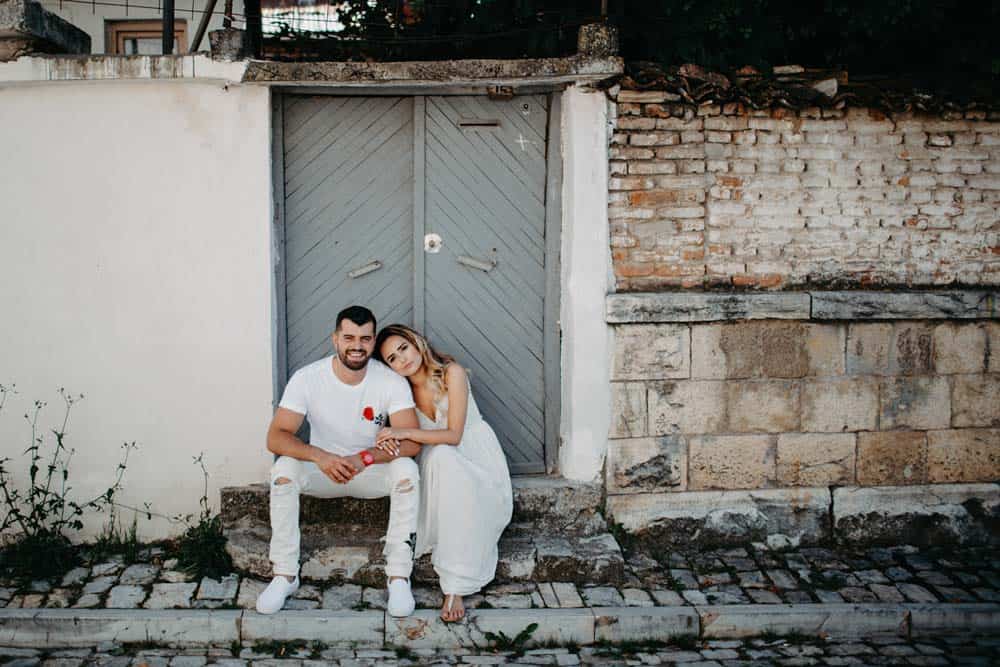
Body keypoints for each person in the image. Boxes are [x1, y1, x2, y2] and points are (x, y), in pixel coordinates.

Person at [256, 306, 422, 617]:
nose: (357, 345)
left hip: (369, 471)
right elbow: (276, 437)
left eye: (365, 338)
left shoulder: (390, 381)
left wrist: (365, 457)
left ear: (373, 342)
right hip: (324, 472)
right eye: (349, 337)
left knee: (407, 471)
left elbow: (411, 442)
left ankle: (399, 577)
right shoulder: (307, 378)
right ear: (335, 339)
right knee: (283, 470)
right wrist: (321, 456)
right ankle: (285, 574)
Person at [374, 324, 512, 622]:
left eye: (403, 348)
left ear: (417, 343)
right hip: (439, 466)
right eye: (392, 359)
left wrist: (402, 430)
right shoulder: (402, 393)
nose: (402, 360)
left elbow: (454, 435)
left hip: (477, 462)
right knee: (441, 459)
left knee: (445, 454)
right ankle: (450, 576)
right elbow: (405, 441)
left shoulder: (452, 373)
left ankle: (456, 585)